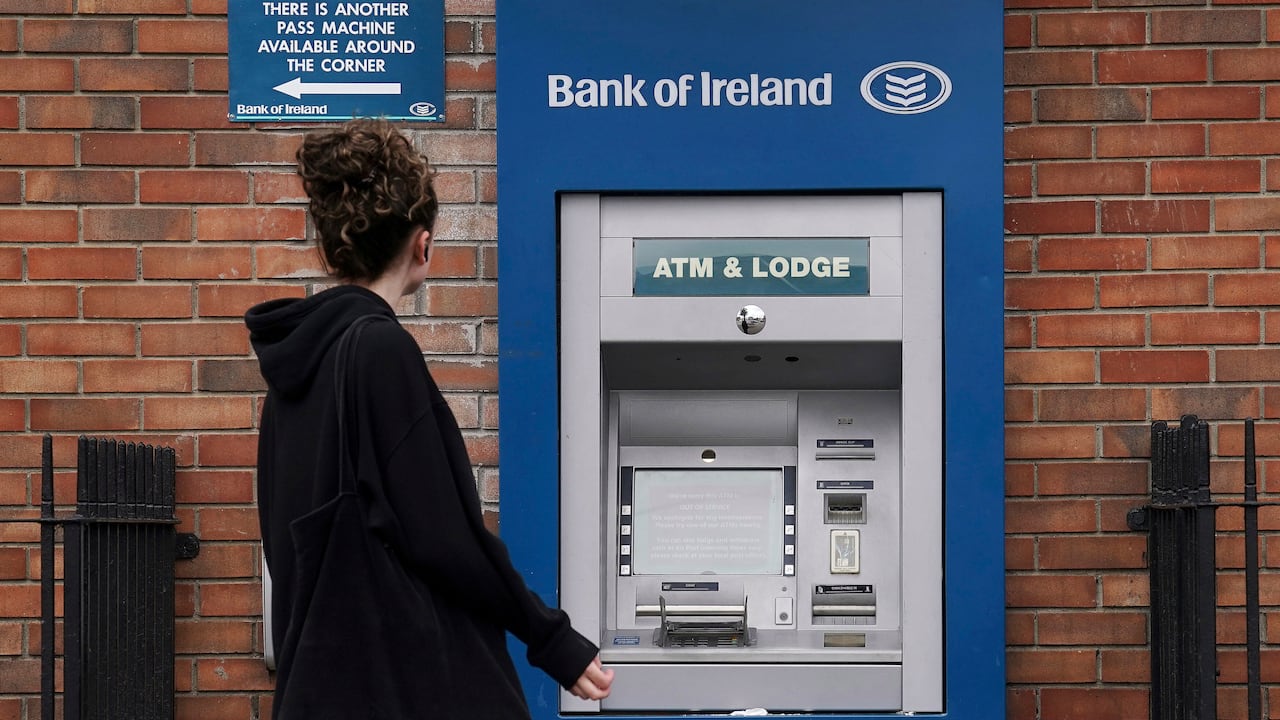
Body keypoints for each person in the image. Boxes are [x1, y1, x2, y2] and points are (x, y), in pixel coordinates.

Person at [245, 118, 613, 719]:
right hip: (398, 690)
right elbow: (447, 538)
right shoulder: (379, 352)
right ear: (422, 244)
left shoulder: (294, 379)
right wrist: (552, 639)